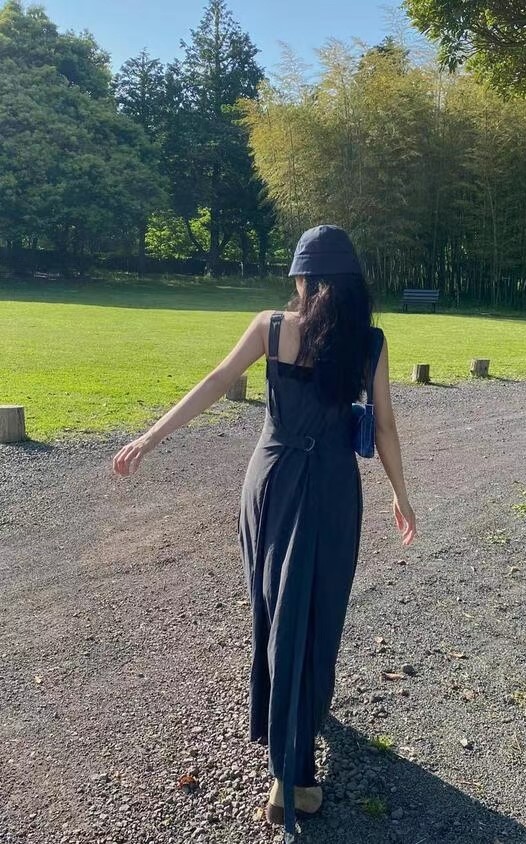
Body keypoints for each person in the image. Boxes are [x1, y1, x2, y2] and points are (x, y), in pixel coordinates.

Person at [112, 224, 417, 842]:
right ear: (352, 285)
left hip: (271, 483)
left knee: (275, 609)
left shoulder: (272, 328)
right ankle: (294, 775)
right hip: (331, 489)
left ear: (303, 279)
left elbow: (216, 382)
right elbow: (384, 426)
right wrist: (400, 495)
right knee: (315, 613)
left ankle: (282, 727)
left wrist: (151, 436)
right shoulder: (369, 342)